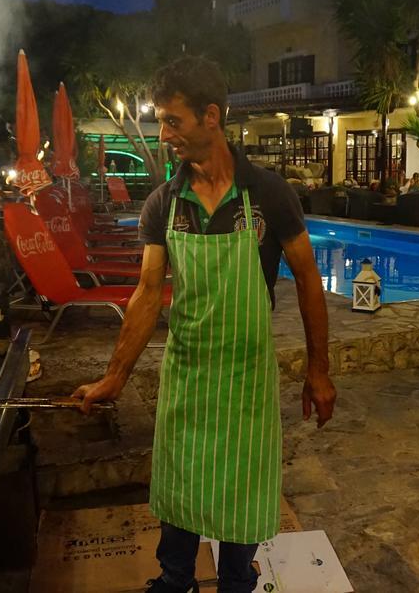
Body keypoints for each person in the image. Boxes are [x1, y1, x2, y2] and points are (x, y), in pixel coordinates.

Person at [72, 57, 336, 593]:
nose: (164, 134)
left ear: (210, 117)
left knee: (240, 485)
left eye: (174, 121)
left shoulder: (267, 195)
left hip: (245, 378)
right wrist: (115, 376)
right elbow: (148, 293)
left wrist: (319, 370)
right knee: (181, 483)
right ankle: (175, 579)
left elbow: (309, 281)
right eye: (162, 122)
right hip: (189, 374)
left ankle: (238, 578)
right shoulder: (164, 205)